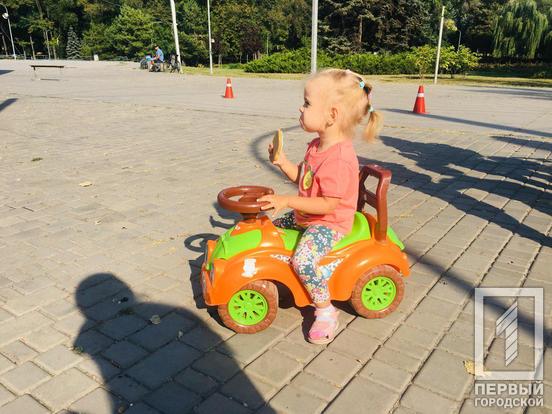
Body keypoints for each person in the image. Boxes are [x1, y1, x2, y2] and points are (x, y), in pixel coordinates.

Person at [258, 69, 383, 344]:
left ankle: (325, 309)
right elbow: (304, 180)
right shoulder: (316, 146)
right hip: (308, 215)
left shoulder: (338, 159)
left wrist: (286, 200)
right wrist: (281, 162)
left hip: (329, 223)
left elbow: (327, 205)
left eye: (307, 103)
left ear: (332, 115)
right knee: (271, 228)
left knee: (302, 260)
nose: (300, 108)